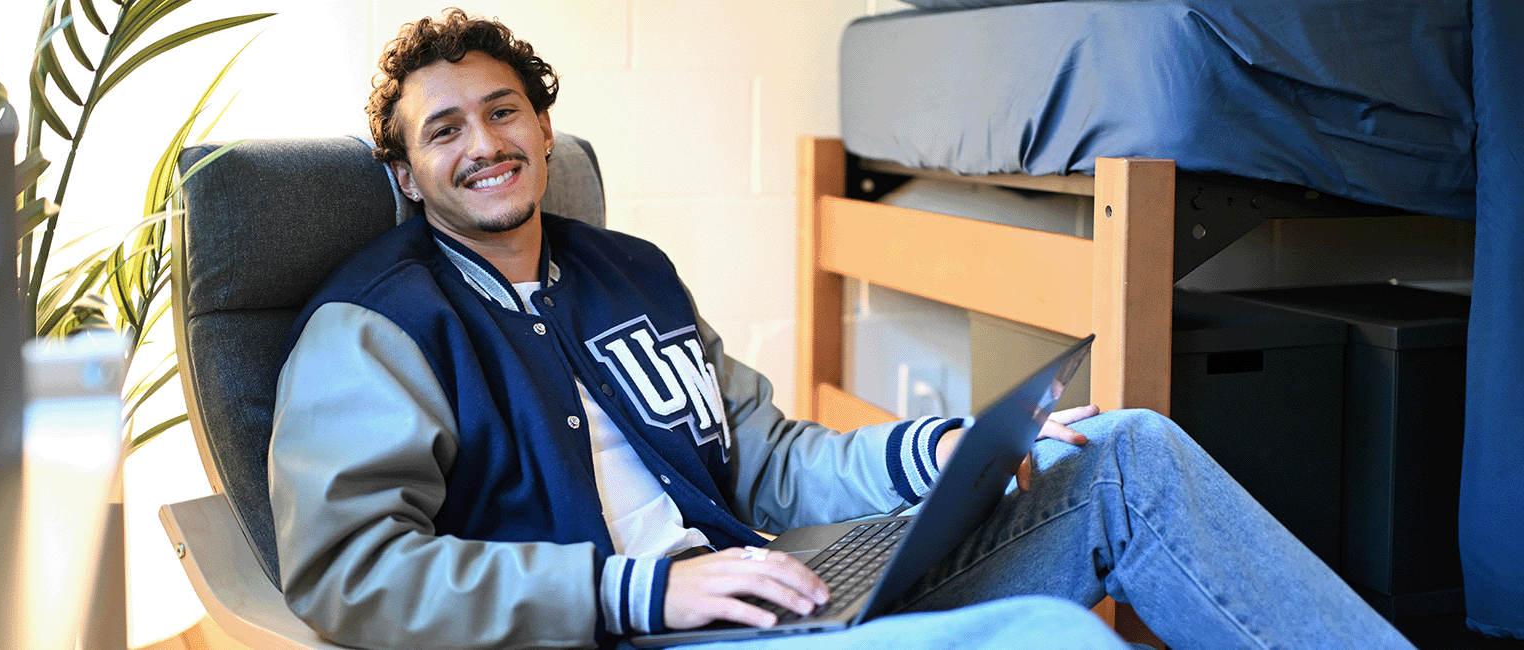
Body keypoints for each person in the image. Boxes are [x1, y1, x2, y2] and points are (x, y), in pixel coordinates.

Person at [267, 8, 1416, 650]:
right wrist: (638, 591)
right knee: (1048, 639)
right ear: (406, 174)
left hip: (775, 591)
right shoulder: (378, 326)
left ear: (542, 124)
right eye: (444, 130)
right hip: (636, 631)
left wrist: (937, 451)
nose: (483, 143)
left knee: (1128, 450)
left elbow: (769, 460)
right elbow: (350, 572)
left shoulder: (630, 274)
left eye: (502, 110)